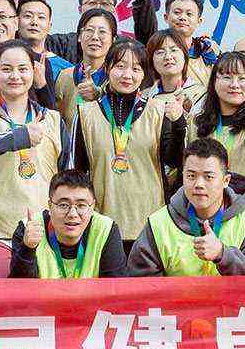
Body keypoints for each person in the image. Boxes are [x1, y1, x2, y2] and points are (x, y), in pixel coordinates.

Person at [0, 39, 70, 277]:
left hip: (46, 235)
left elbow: (67, 177)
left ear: (33, 72)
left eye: (22, 69)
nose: (15, 76)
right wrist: (18, 137)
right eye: (6, 69)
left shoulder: (53, 119)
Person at [76, 38, 186, 250]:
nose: (127, 75)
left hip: (150, 225)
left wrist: (178, 123)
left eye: (136, 68)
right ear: (107, 68)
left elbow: (173, 161)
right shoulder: (86, 114)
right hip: (102, 225)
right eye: (120, 66)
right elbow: (78, 171)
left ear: (144, 74)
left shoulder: (158, 110)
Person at [127, 138, 245, 277]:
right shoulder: (159, 223)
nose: (199, 184)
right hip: (178, 297)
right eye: (191, 176)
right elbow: (142, 285)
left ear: (226, 180)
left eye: (208, 177)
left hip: (235, 297)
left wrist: (223, 254)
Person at [188, 52, 245, 217]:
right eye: (227, 77)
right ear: (214, 81)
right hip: (206, 211)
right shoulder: (197, 122)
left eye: (242, 78)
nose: (235, 85)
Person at [10, 170, 129, 278]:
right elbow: (19, 289)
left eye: (81, 205)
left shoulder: (106, 229)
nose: (72, 214)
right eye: (63, 205)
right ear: (50, 206)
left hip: (92, 296)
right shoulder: (28, 228)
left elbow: (115, 288)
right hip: (42, 296)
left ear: (92, 207)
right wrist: (28, 248)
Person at [52, 8, 117, 125]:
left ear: (113, 40)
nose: (95, 37)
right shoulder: (65, 76)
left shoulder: (118, 78)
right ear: (79, 36)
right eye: (89, 30)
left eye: (102, 32)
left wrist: (99, 96)